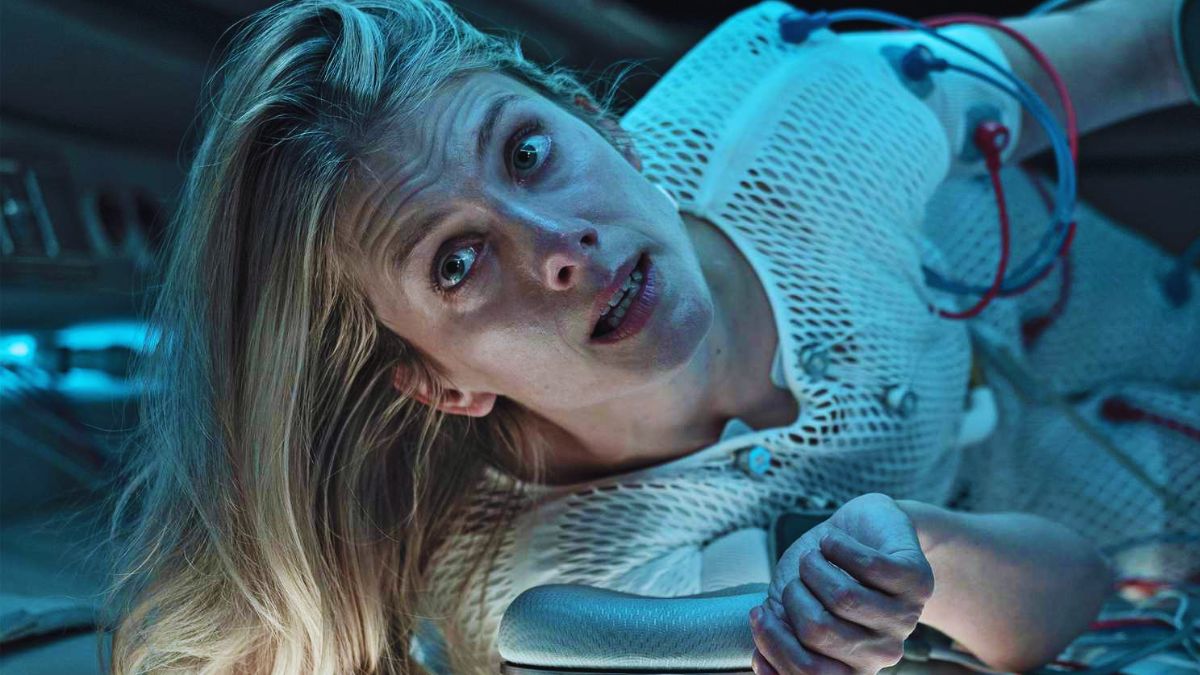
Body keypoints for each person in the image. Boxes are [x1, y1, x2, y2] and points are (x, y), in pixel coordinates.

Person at [100, 0, 1198, 673]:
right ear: (438, 383)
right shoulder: (591, 595)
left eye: (528, 153)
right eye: (458, 262)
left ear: (603, 125)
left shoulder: (807, 111)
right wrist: (908, 555)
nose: (557, 247)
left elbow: (1149, 47)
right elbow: (1064, 602)